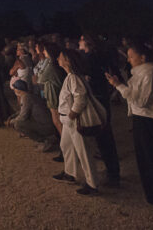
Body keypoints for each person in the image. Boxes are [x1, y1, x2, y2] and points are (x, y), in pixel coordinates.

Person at [106, 43, 153, 226]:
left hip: (151, 124)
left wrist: (118, 86)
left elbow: (140, 100)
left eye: (131, 56)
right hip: (143, 122)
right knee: (149, 166)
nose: (128, 59)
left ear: (143, 58)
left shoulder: (149, 74)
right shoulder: (141, 74)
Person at [52, 49, 103, 196]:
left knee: (83, 151)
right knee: (66, 145)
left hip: (72, 119)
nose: (58, 58)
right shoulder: (71, 76)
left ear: (67, 61)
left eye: (60, 57)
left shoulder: (73, 77)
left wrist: (73, 114)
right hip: (69, 119)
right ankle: (70, 173)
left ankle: (92, 183)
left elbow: (81, 96)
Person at [79, 34, 121, 187]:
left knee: (103, 135)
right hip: (102, 96)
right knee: (105, 135)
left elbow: (90, 78)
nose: (79, 41)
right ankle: (113, 171)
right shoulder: (99, 56)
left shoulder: (90, 58)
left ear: (87, 43)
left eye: (81, 39)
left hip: (97, 98)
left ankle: (113, 175)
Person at [6, 79, 58, 151]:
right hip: (48, 125)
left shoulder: (26, 98)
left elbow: (23, 117)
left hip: (46, 127)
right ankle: (46, 139)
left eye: (15, 88)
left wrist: (11, 121)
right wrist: (12, 116)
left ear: (18, 90)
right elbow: (22, 111)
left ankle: (45, 141)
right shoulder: (29, 95)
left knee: (18, 124)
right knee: (18, 121)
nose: (14, 90)